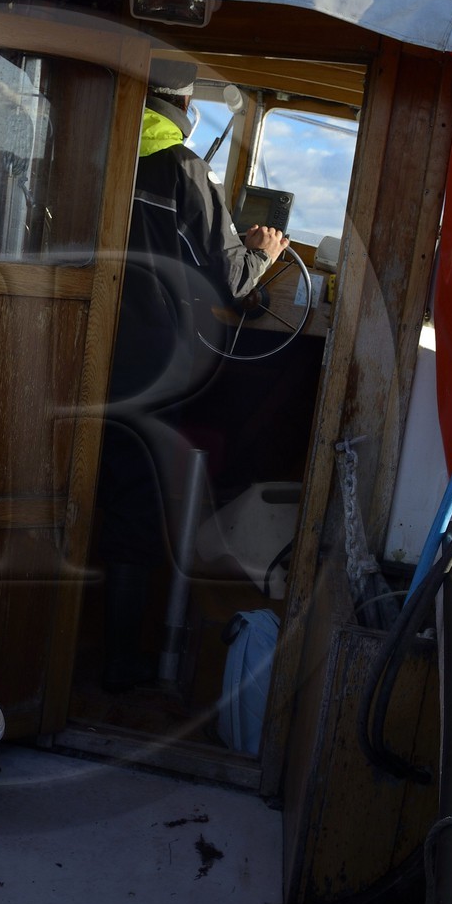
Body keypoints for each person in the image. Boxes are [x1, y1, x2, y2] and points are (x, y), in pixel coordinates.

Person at [96, 58, 288, 692]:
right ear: (184, 108)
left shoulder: (101, 150)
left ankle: (63, 643)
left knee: (87, 492)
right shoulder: (183, 168)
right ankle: (121, 663)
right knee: (133, 509)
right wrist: (261, 252)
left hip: (86, 358)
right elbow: (231, 281)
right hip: (149, 370)